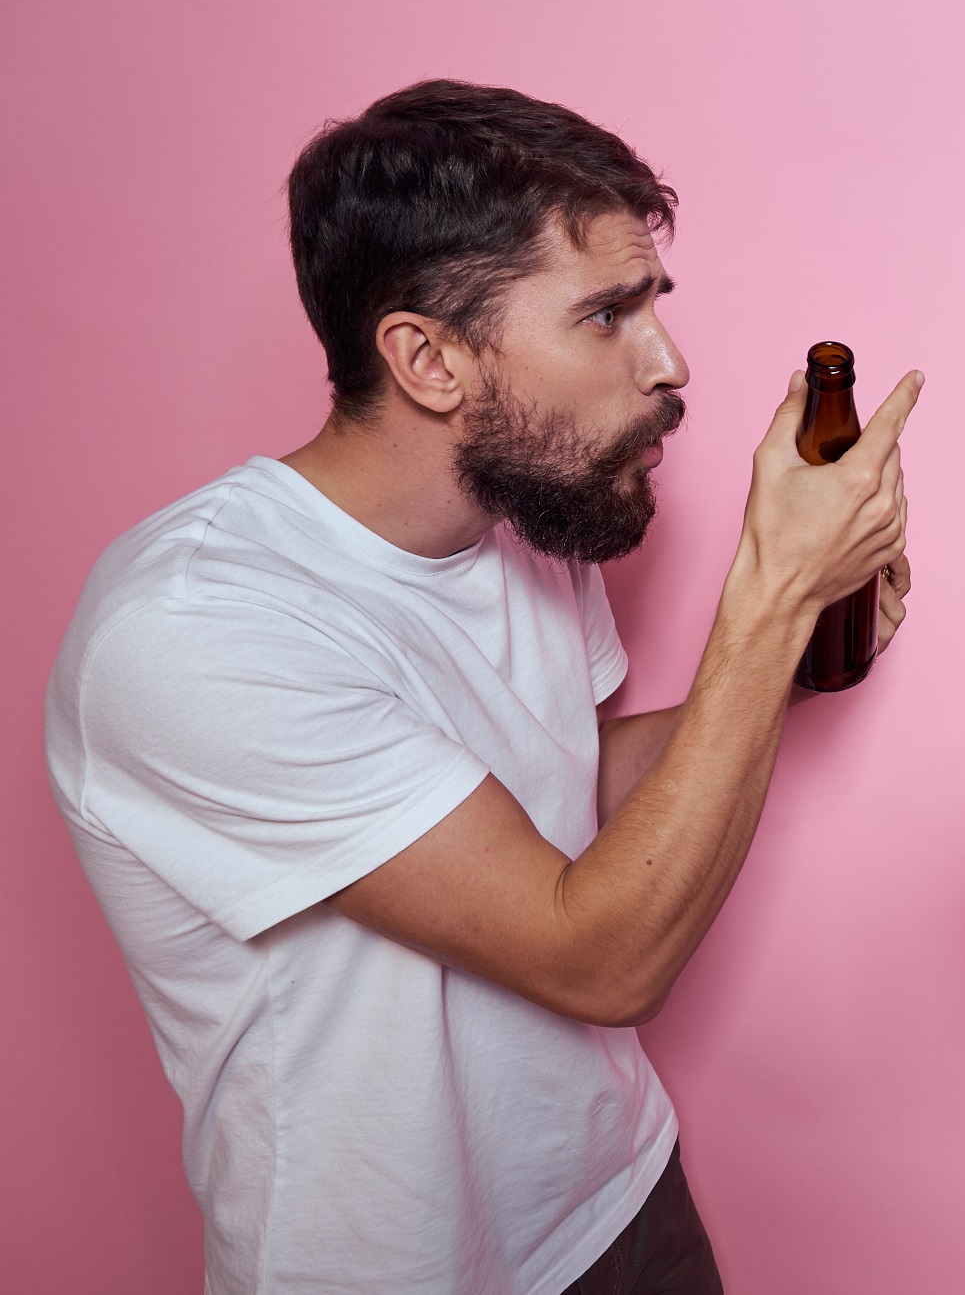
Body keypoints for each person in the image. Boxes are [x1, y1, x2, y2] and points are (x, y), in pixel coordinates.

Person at [44, 79, 919, 1295]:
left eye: (653, 304)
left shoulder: (529, 517)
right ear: (429, 359)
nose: (669, 363)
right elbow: (601, 959)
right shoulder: (197, 628)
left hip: (618, 1194)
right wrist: (766, 605)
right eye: (605, 315)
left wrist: (788, 669)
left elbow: (569, 792)